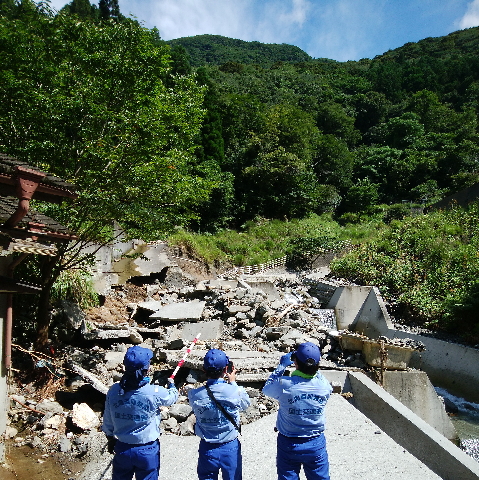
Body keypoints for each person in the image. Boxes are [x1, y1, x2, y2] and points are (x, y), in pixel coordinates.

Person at [102, 345, 179, 480]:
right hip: (147, 450)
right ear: (147, 369)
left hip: (122, 448)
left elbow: (108, 419)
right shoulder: (155, 392)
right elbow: (172, 397)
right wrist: (172, 385)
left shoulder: (114, 390)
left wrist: (110, 437)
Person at [262, 342, 332, 480]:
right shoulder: (324, 387)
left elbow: (267, 388)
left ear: (296, 363)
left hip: (289, 443)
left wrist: (282, 366)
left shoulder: (285, 385)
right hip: (315, 443)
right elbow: (316, 374)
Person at [188, 348, 251, 480]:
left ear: (204, 370)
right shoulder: (235, 391)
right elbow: (246, 404)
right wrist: (233, 381)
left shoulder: (195, 395)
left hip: (207, 446)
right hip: (230, 445)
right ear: (225, 370)